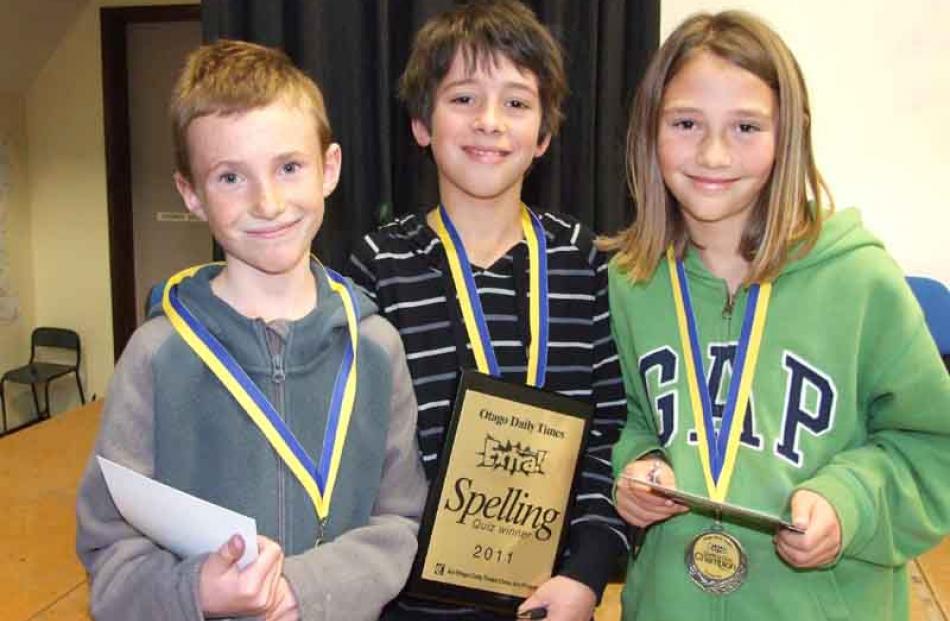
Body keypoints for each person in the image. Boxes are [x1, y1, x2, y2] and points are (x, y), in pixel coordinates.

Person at [603, 10, 950, 621]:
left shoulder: (859, 281)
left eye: (745, 126)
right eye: (686, 123)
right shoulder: (633, 283)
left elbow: (931, 445)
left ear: (789, 134)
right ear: (648, 132)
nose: (713, 153)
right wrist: (637, 466)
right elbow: (633, 418)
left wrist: (850, 504)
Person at [76, 39, 427, 621]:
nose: (268, 203)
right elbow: (109, 551)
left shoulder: (376, 347)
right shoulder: (157, 355)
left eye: (289, 167)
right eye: (230, 177)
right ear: (191, 193)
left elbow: (400, 521)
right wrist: (196, 592)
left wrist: (301, 588)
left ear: (329, 169)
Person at [345, 2, 629, 620]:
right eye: (464, 99)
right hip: (409, 604)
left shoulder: (586, 264)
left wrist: (586, 575)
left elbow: (612, 438)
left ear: (545, 135)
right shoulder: (376, 269)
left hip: (553, 599)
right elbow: (356, 454)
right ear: (422, 124)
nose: (491, 123)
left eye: (517, 103)